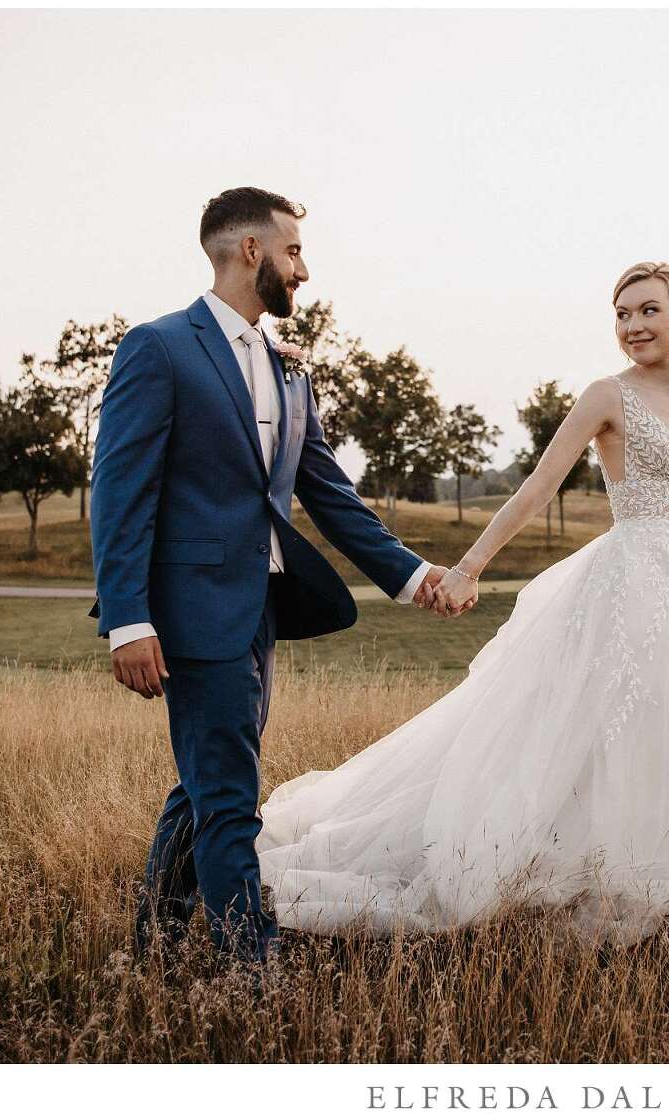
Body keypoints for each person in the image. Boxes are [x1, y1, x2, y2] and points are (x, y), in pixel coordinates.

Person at [255, 261, 669, 945]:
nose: (633, 327)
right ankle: (593, 866)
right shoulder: (605, 396)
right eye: (621, 315)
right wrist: (469, 567)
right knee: (609, 726)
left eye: (647, 311)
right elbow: (537, 487)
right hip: (631, 582)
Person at [89, 187, 456, 969]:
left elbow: (327, 490)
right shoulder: (157, 348)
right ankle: (250, 973)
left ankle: (154, 941)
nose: (305, 270)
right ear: (250, 250)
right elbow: (121, 493)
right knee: (228, 795)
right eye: (293, 251)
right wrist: (128, 619)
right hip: (189, 612)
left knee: (208, 779)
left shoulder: (290, 368)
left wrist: (413, 574)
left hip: (259, 608)